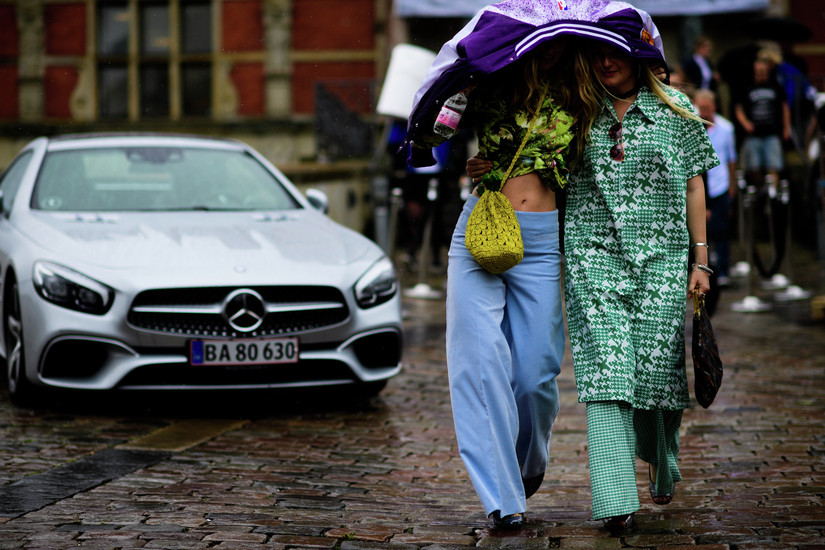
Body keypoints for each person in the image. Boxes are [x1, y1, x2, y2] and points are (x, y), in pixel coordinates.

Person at [468, 21, 718, 534]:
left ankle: (660, 457)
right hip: (592, 259)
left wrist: (700, 261)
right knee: (607, 375)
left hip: (663, 261)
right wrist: (489, 163)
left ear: (640, 53)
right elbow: (530, 150)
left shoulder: (677, 111)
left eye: (617, 52)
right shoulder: (576, 110)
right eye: (597, 53)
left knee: (656, 377)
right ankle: (614, 497)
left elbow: (695, 187)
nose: (607, 61)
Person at [409, 33, 595, 530]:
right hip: (480, 229)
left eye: (561, 40)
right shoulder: (490, 83)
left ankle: (528, 463)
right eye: (543, 41)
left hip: (539, 243)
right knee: (477, 362)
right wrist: (458, 91)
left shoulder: (584, 93)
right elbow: (427, 139)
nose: (551, 48)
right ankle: (501, 497)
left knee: (535, 376)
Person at [694, 89, 738, 286]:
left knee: (721, 230)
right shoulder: (691, 124)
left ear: (714, 106)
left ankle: (722, 271)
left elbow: (731, 158)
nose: (703, 111)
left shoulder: (726, 128)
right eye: (700, 107)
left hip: (719, 184)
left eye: (706, 108)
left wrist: (732, 185)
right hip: (698, 185)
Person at [734, 56, 791, 196]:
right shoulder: (747, 86)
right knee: (753, 166)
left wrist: (786, 127)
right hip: (753, 134)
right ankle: (760, 191)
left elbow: (785, 107)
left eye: (763, 71)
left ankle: (772, 193)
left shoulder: (775, 86)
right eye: (758, 71)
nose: (761, 74)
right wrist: (746, 123)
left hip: (772, 132)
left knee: (774, 164)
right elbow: (738, 108)